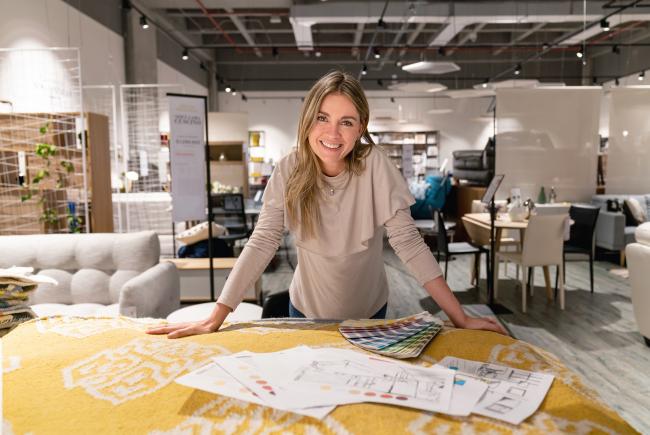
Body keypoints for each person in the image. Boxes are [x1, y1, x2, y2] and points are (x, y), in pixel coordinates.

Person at [147, 70, 506, 339]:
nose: (333, 134)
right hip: (305, 311)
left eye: (346, 122)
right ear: (308, 120)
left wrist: (460, 317)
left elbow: (409, 244)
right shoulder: (289, 167)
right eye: (323, 118)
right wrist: (218, 316)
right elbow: (262, 241)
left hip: (370, 311)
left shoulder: (375, 165)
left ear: (360, 126)